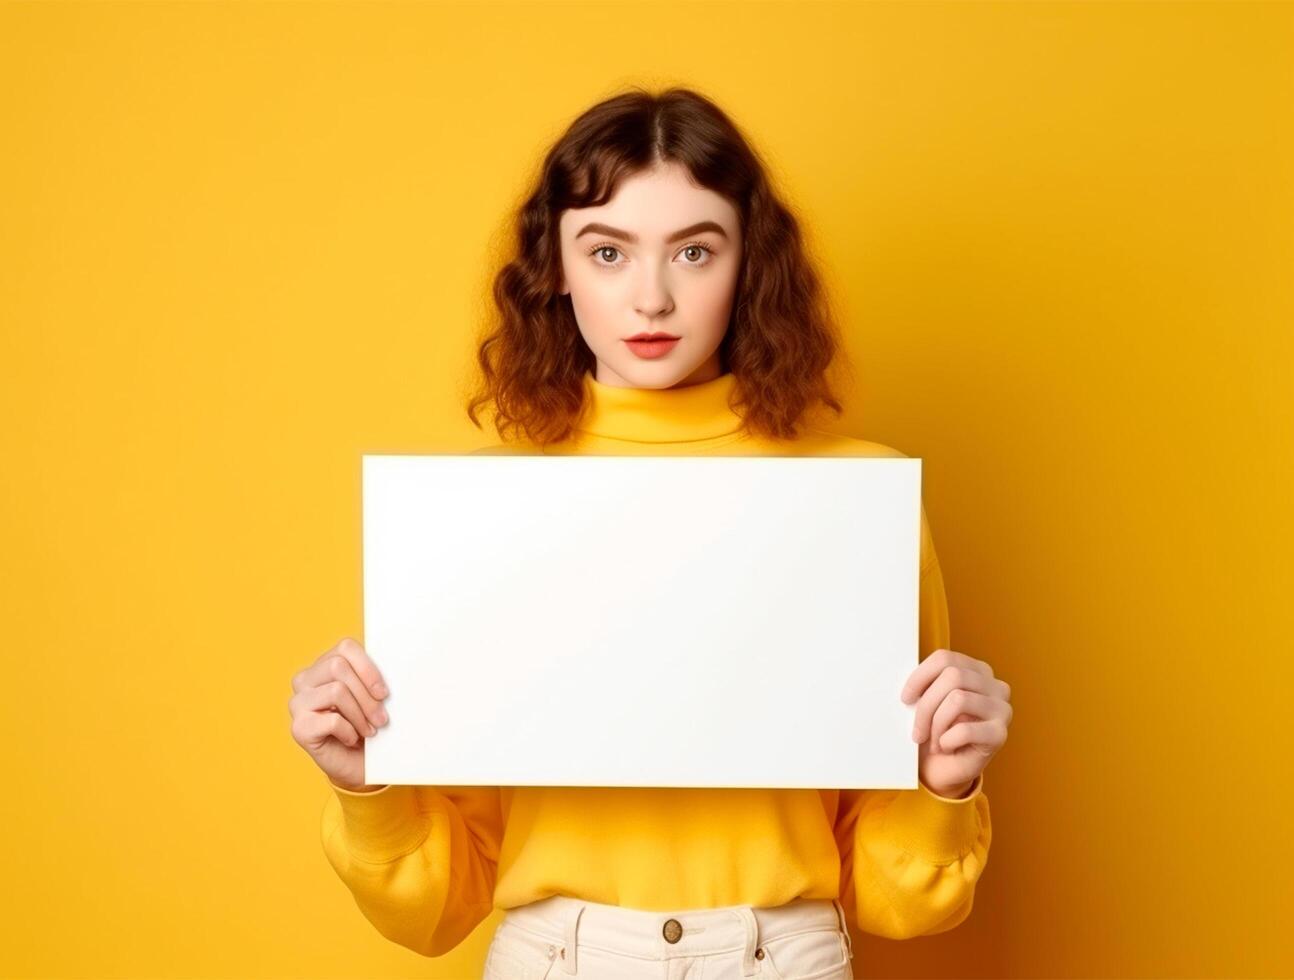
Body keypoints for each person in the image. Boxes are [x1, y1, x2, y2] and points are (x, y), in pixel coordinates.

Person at [288, 86, 1013, 979]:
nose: (653, 297)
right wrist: (368, 780)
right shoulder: (477, 517)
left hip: (781, 953)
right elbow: (442, 905)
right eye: (608, 251)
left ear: (751, 264)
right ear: (555, 266)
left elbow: (900, 897)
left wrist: (945, 780)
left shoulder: (856, 494)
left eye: (695, 251)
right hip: (555, 955)